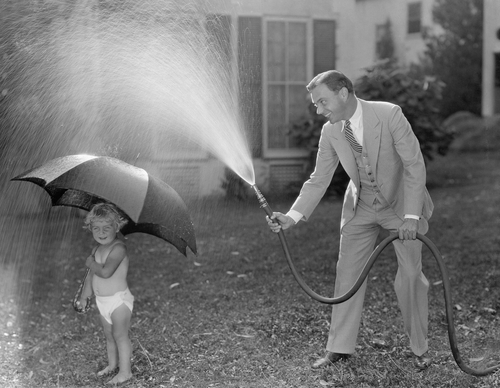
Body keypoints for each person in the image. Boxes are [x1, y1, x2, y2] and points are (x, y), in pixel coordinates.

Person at [267, 70, 434, 370]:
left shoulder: (389, 114)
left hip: (400, 205)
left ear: (343, 93)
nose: (319, 110)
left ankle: (419, 347)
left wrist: (411, 215)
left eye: (322, 101)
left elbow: (413, 164)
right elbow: (319, 179)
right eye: (316, 104)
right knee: (347, 274)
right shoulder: (330, 132)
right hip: (361, 207)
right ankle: (339, 349)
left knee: (410, 274)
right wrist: (291, 217)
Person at [79, 202, 134, 385]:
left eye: (106, 227)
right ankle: (112, 366)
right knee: (109, 335)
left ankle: (125, 372)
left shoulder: (118, 248)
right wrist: (85, 295)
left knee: (120, 335)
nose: (101, 232)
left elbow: (105, 272)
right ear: (90, 228)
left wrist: (91, 264)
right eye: (96, 228)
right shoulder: (96, 250)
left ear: (117, 227)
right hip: (102, 302)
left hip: (118, 302)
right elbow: (90, 277)